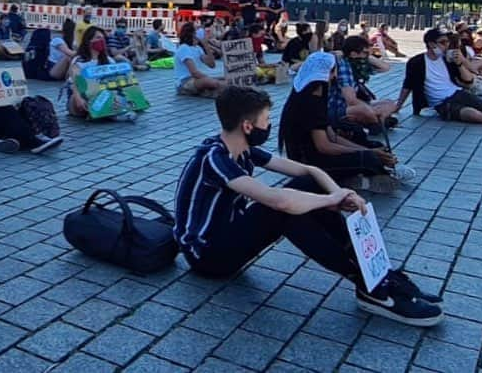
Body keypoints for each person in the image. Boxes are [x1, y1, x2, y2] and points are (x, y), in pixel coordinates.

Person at [174, 85, 442, 327]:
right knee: (281, 210)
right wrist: (329, 201)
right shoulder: (215, 158)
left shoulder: (242, 149)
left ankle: (378, 275)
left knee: (307, 186)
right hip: (207, 255)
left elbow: (310, 170)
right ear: (247, 126)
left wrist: (340, 194)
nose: (269, 125)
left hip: (229, 234)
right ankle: (368, 285)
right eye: (266, 120)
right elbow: (278, 200)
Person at [280, 52, 413, 193]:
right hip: (308, 161)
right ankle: (358, 179)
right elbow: (324, 146)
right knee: (369, 158)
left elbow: (332, 137)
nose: (336, 76)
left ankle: (375, 170)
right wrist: (367, 152)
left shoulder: (316, 95)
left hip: (318, 154)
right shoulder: (309, 102)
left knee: (375, 147)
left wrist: (368, 149)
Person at [395, 28, 482, 123]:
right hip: (441, 103)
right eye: (443, 42)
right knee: (475, 115)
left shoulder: (448, 59)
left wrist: (460, 63)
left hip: (458, 93)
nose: (446, 45)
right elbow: (408, 85)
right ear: (431, 44)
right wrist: (398, 105)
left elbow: (469, 81)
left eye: (447, 42)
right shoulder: (417, 62)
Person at [328, 36, 399, 131]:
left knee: (390, 103)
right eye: (365, 53)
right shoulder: (344, 66)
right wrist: (369, 109)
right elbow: (351, 100)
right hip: (337, 107)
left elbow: (385, 67)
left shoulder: (358, 64)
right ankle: (377, 122)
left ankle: (375, 121)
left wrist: (368, 55)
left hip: (350, 105)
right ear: (353, 54)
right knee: (364, 110)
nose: (367, 55)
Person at [67, 26, 117, 118]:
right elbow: (73, 83)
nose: (101, 41)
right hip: (82, 95)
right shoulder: (79, 61)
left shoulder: (109, 61)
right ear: (89, 41)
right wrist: (78, 98)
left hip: (102, 94)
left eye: (103, 38)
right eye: (98, 38)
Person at [174, 22, 225, 97]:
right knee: (212, 82)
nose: (201, 30)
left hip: (196, 79)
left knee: (224, 78)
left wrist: (206, 45)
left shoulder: (197, 48)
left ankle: (217, 90)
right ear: (192, 33)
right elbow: (194, 72)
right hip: (185, 82)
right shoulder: (184, 48)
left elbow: (212, 64)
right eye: (197, 29)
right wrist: (211, 79)